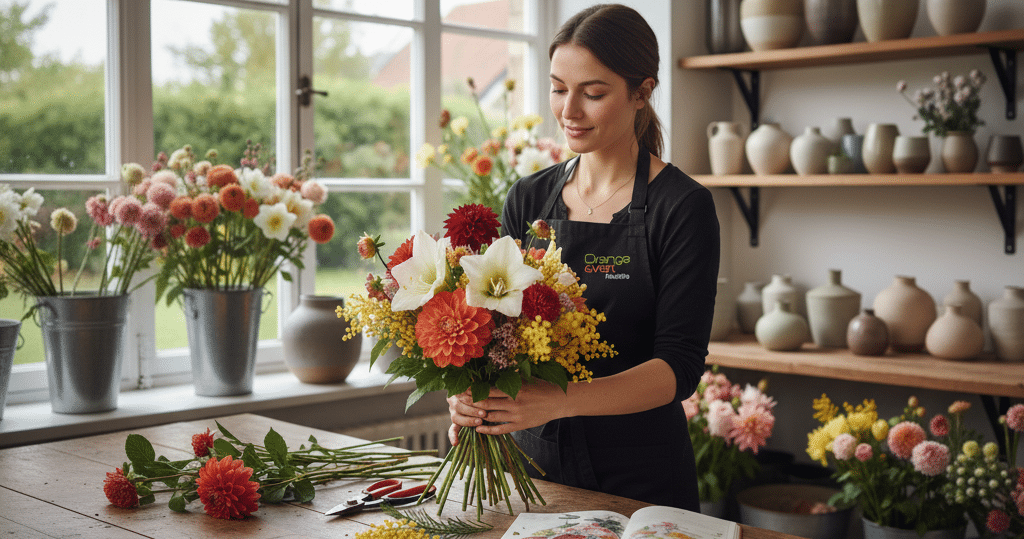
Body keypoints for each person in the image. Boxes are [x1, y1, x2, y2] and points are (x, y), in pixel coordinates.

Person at [446, 3, 720, 511]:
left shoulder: (681, 207)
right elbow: (496, 331)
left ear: (642, 93)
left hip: (641, 476)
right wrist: (472, 395)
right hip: (533, 466)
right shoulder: (527, 200)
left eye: (592, 94)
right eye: (558, 88)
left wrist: (556, 399)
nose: (568, 111)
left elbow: (678, 367)